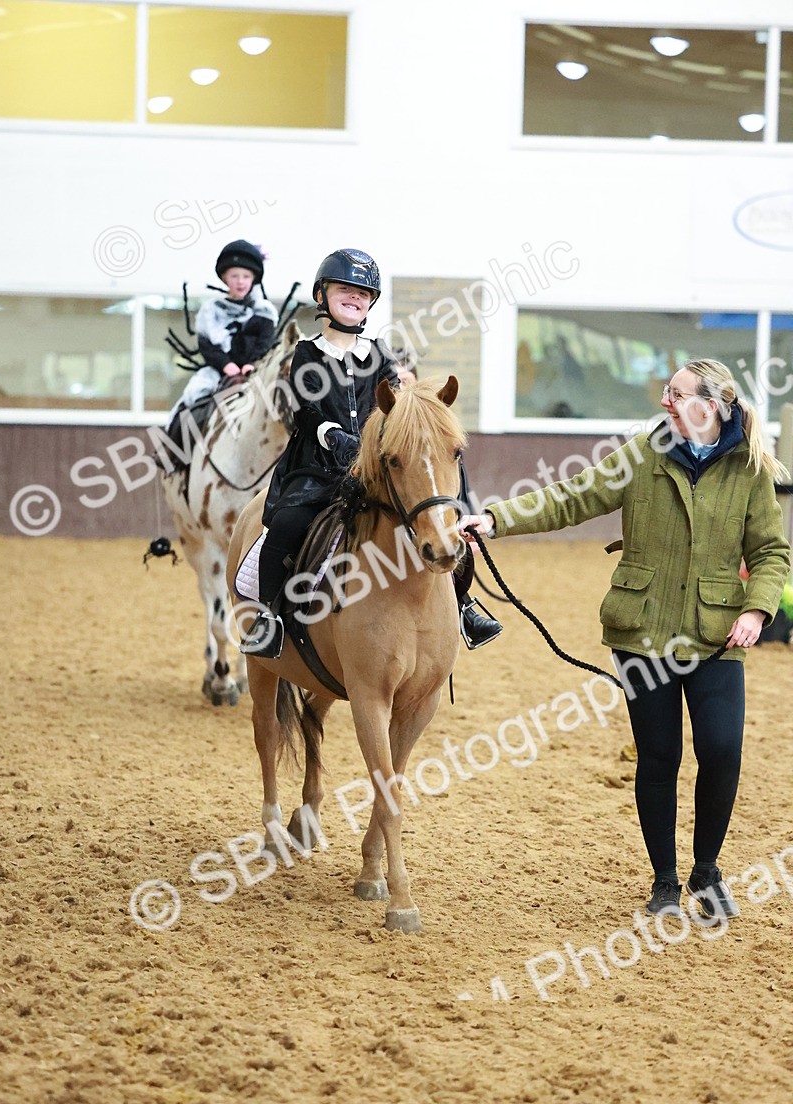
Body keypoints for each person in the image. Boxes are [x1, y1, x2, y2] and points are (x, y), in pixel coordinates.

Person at [462, 359, 790, 919]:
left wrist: (758, 610)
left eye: (676, 392)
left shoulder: (751, 470)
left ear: (708, 406)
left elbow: (770, 552)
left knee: (722, 751)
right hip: (642, 633)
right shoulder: (642, 455)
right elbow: (569, 498)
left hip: (716, 636)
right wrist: (495, 519)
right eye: (666, 390)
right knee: (659, 757)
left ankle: (706, 872)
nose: (664, 400)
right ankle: (664, 881)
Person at [240, 247, 502, 658]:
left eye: (363, 293)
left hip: (371, 467)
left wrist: (387, 440)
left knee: (443, 522)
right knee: (288, 525)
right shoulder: (308, 353)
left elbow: (392, 407)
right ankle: (269, 617)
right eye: (345, 288)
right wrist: (331, 435)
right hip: (318, 466)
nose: (355, 297)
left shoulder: (378, 353)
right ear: (323, 295)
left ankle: (465, 606)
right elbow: (305, 411)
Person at [166, 239, 278, 425]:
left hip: (256, 370)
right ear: (225, 278)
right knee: (192, 399)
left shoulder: (264, 312)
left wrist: (253, 363)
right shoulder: (211, 311)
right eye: (234, 276)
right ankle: (177, 447)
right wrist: (226, 365)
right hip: (219, 371)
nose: (240, 282)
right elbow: (206, 345)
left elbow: (265, 343)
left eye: (246, 276)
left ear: (253, 279)